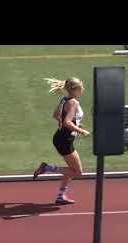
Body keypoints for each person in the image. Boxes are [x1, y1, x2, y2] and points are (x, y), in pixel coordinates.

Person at [33, 77, 90, 205]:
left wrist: (75, 125)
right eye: (81, 88)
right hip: (64, 140)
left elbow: (56, 115)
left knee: (71, 169)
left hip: (60, 137)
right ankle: (47, 168)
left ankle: (61, 196)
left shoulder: (65, 99)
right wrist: (81, 131)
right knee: (77, 172)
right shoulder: (74, 102)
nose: (83, 90)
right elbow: (67, 122)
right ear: (75, 90)